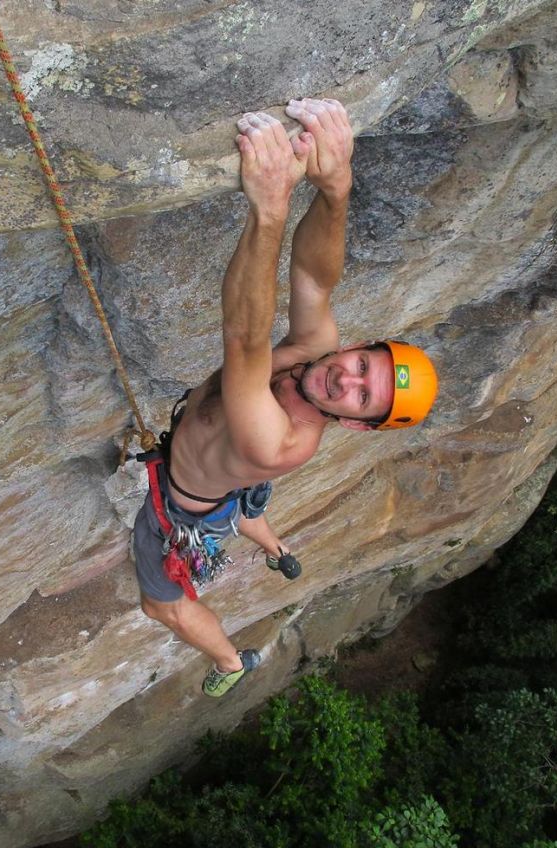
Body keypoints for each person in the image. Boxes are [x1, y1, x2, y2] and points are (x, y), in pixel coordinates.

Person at [133, 98, 438, 698]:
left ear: (353, 425)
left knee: (160, 605)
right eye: (361, 365)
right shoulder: (316, 354)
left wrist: (269, 208)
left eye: (361, 397)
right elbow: (314, 277)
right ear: (358, 347)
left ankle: (227, 664)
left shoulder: (282, 441)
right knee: (244, 498)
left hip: (187, 507)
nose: (345, 381)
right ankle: (275, 545)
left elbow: (244, 341)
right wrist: (336, 190)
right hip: (234, 474)